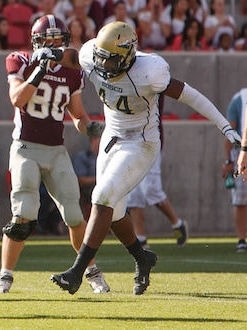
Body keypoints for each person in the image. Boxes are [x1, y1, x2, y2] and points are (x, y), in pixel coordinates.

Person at [50, 21, 241, 295]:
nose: (104, 65)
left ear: (128, 54)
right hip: (111, 138)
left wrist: (225, 127)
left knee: (102, 197)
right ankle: (142, 257)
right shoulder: (93, 54)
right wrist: (53, 54)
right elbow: (74, 58)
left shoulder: (149, 71)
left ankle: (77, 272)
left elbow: (190, 96)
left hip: (140, 143)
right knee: (113, 211)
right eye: (101, 58)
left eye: (111, 59)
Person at [0, 15, 109, 295]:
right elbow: (18, 99)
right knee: (23, 213)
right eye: (49, 40)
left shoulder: (72, 72)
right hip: (25, 148)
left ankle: (90, 271)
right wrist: (40, 69)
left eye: (59, 40)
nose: (54, 45)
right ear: (36, 42)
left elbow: (78, 115)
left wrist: (89, 127)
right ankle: (5, 276)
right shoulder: (21, 61)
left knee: (74, 214)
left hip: (57, 151)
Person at [126, 97, 189, 249]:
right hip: (129, 141)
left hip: (150, 141)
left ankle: (177, 223)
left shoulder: (152, 78)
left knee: (152, 191)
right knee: (134, 191)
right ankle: (140, 238)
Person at [225, 88, 247, 252]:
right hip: (241, 151)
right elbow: (230, 131)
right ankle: (241, 239)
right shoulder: (239, 98)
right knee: (240, 200)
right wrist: (229, 159)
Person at [73, 134, 101, 220]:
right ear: (93, 139)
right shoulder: (84, 157)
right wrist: (99, 180)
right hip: (90, 190)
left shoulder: (111, 157)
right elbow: (79, 180)